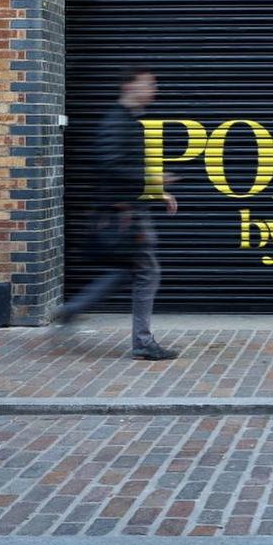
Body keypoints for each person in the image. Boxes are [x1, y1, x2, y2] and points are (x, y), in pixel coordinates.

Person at [54, 67, 180, 361]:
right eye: (147, 84)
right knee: (147, 273)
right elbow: (109, 165)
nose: (153, 90)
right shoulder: (117, 121)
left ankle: (72, 309)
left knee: (130, 271)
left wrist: (156, 190)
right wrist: (153, 180)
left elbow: (120, 165)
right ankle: (142, 342)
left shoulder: (129, 121)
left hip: (127, 209)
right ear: (128, 86)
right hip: (125, 213)